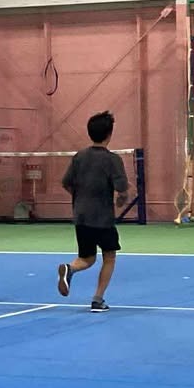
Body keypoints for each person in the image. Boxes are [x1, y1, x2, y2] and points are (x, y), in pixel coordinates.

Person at [54, 112, 130, 313]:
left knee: (87, 258)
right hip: (102, 218)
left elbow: (66, 183)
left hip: (80, 216)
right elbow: (122, 188)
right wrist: (122, 198)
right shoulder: (113, 160)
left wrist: (80, 197)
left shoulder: (79, 157)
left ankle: (70, 268)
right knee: (109, 256)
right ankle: (98, 299)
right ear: (110, 134)